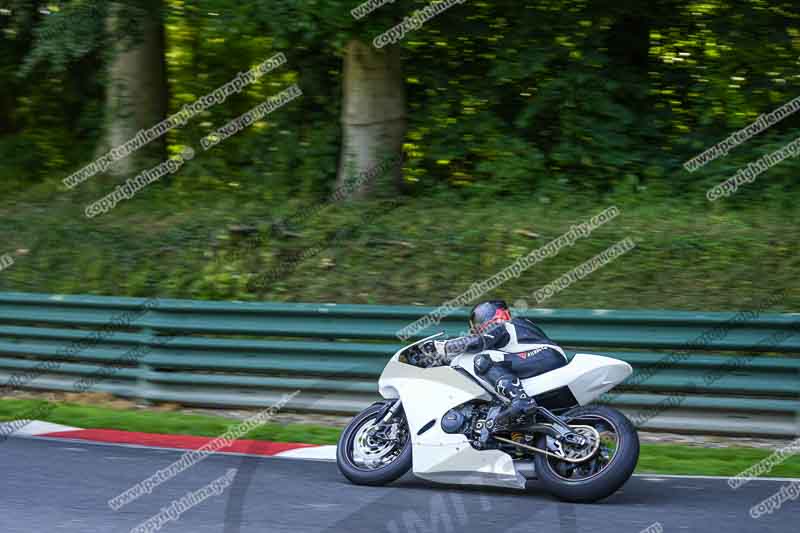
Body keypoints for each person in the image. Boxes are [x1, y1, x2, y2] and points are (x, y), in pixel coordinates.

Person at [417, 300, 569, 444]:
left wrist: (442, 347)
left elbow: (478, 342)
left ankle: (521, 401)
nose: (475, 328)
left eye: (477, 322)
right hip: (537, 360)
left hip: (545, 355)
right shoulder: (512, 330)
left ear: (489, 315)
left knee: (484, 359)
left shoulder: (504, 323)